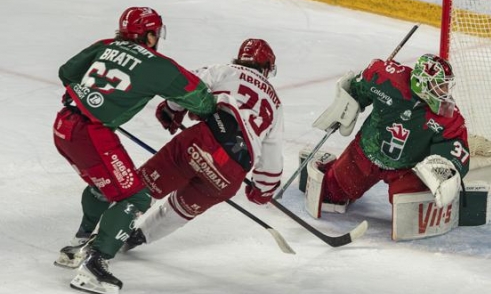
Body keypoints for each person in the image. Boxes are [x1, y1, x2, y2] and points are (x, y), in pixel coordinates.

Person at [53, 7, 216, 294]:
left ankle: (79, 245)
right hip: (91, 134)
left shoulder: (105, 45)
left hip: (64, 126)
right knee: (136, 196)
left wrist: (91, 97)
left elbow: (66, 72)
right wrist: (209, 113)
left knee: (103, 186)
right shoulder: (158, 65)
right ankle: (95, 263)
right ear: (150, 35)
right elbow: (200, 98)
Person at [122, 38, 284, 252]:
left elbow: (185, 85)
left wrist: (171, 108)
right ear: (266, 67)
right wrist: (262, 189)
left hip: (201, 143)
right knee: (181, 209)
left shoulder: (224, 70)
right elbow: (272, 157)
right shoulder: (276, 105)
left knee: (145, 188)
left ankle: (108, 233)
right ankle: (139, 237)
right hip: (231, 173)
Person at [305, 54, 470, 238]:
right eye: (440, 85)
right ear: (422, 83)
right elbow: (363, 82)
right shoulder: (388, 79)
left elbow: (457, 147)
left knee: (411, 213)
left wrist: (448, 170)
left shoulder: (449, 117)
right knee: (332, 193)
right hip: (366, 153)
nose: (445, 92)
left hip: (407, 169)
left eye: (446, 85)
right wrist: (349, 100)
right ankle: (326, 167)